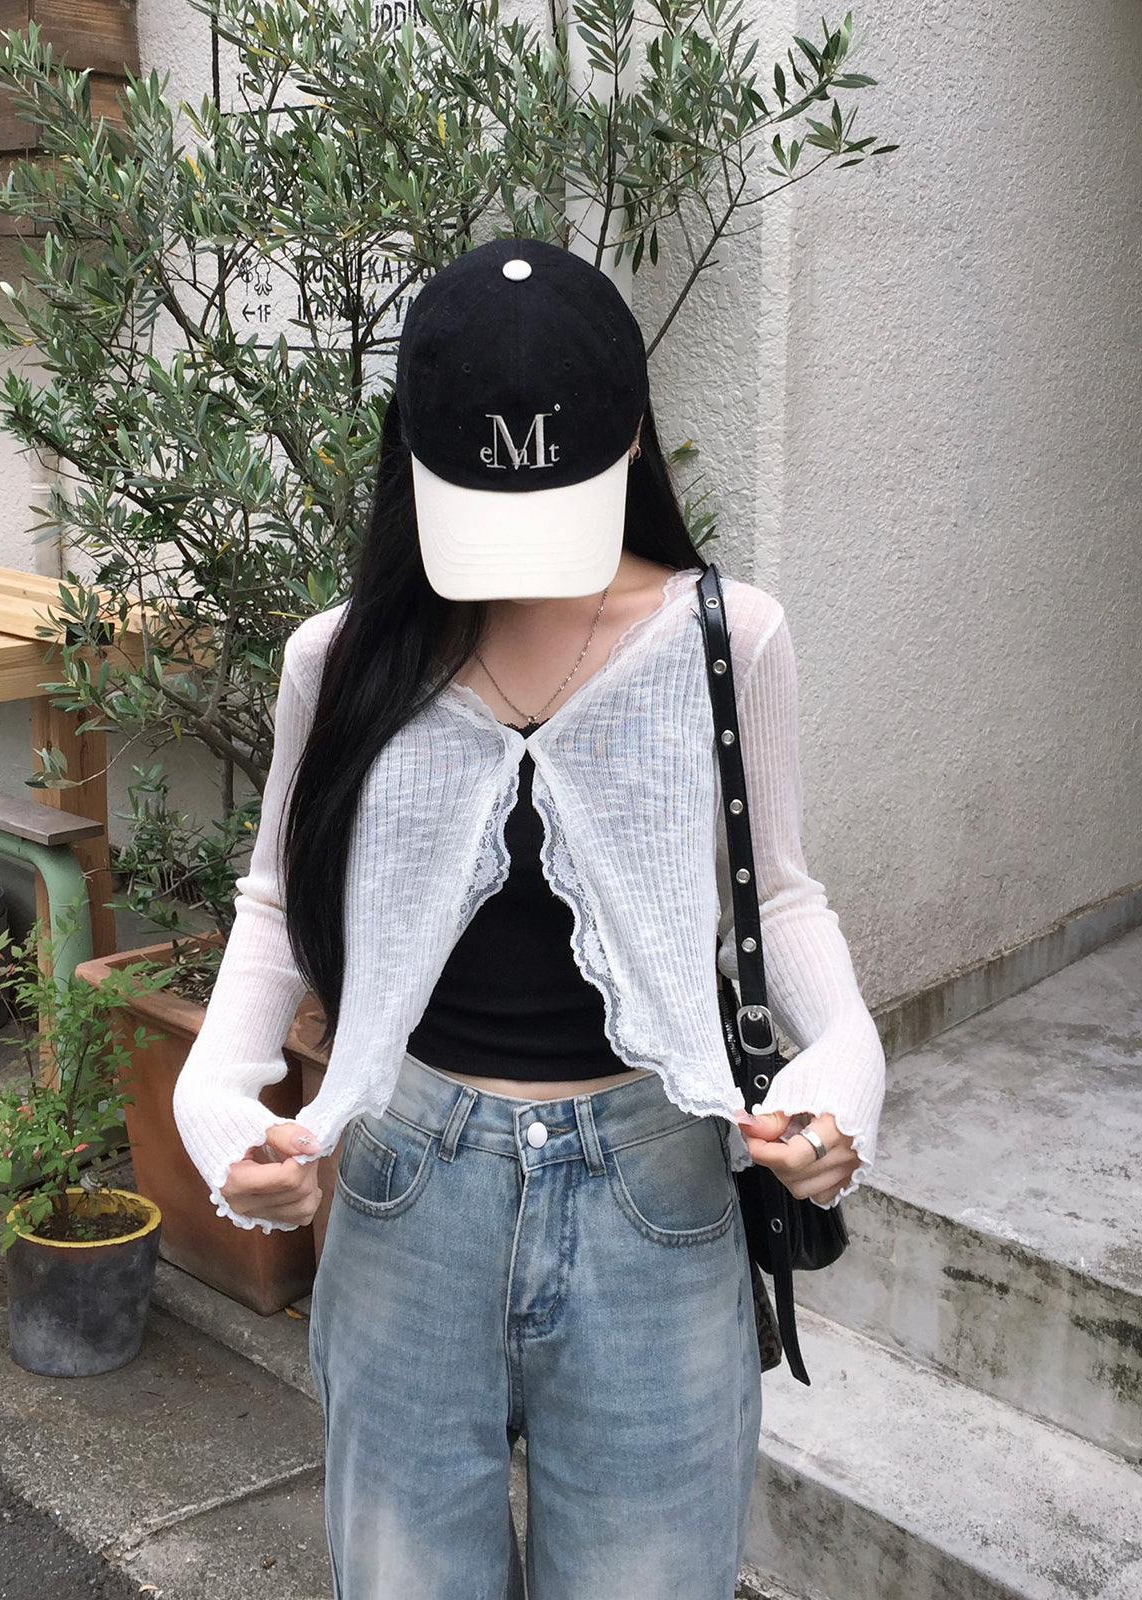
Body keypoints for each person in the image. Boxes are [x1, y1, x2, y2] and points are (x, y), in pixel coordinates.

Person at [172, 236, 885, 1600]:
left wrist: (847, 1067)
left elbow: (779, 891)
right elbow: (275, 903)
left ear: (632, 441)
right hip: (405, 1187)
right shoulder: (340, 656)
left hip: (656, 1193)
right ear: (414, 459)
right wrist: (218, 1105)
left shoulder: (730, 640)